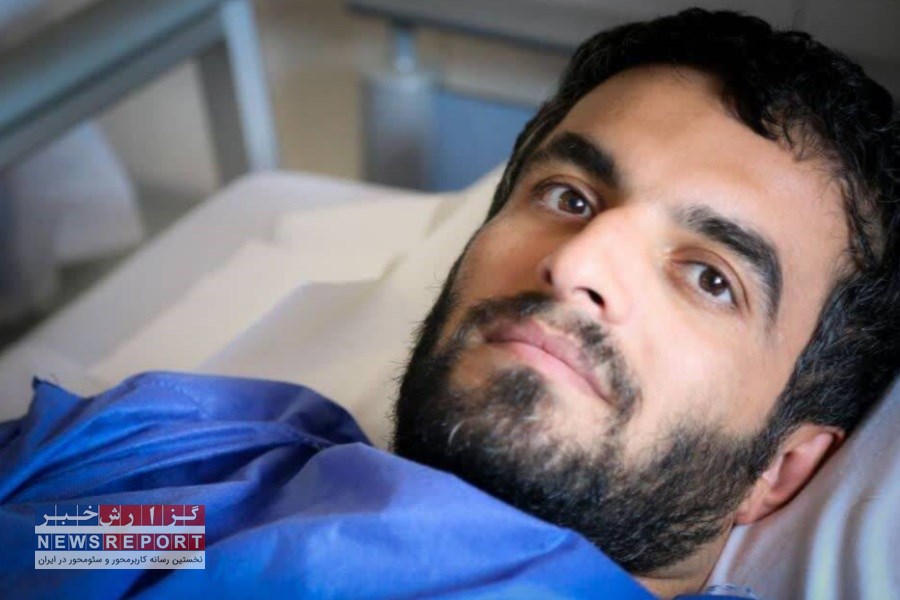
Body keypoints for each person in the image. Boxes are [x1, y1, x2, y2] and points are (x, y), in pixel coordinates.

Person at [0, 8, 897, 600]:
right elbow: (46, 548)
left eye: (709, 277)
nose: (577, 262)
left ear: (781, 470)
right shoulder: (225, 492)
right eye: (569, 197)